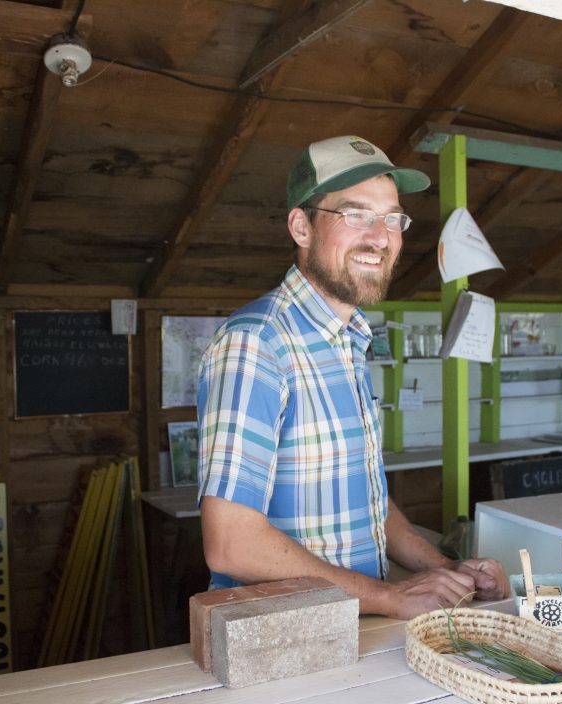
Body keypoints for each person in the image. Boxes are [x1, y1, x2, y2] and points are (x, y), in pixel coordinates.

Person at [196, 135, 509, 620]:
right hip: (284, 639)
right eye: (356, 214)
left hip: (355, 628)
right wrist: (389, 597)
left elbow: (368, 504)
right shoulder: (258, 343)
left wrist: (449, 571)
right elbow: (231, 543)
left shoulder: (349, 339)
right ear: (302, 226)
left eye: (391, 217)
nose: (380, 236)